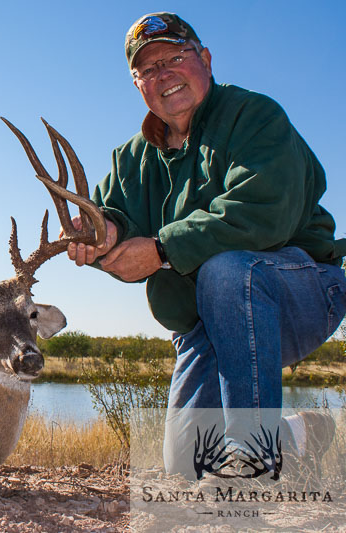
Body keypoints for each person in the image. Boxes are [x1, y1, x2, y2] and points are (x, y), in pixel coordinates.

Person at [66, 13, 346, 479]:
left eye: (175, 57)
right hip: (207, 326)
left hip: (299, 291)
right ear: (137, 85)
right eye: (148, 69)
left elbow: (263, 209)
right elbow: (117, 217)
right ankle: (301, 433)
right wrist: (101, 234)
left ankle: (251, 455)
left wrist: (159, 249)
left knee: (227, 271)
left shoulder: (254, 116)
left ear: (206, 59)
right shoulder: (132, 158)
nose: (164, 75)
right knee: (185, 464)